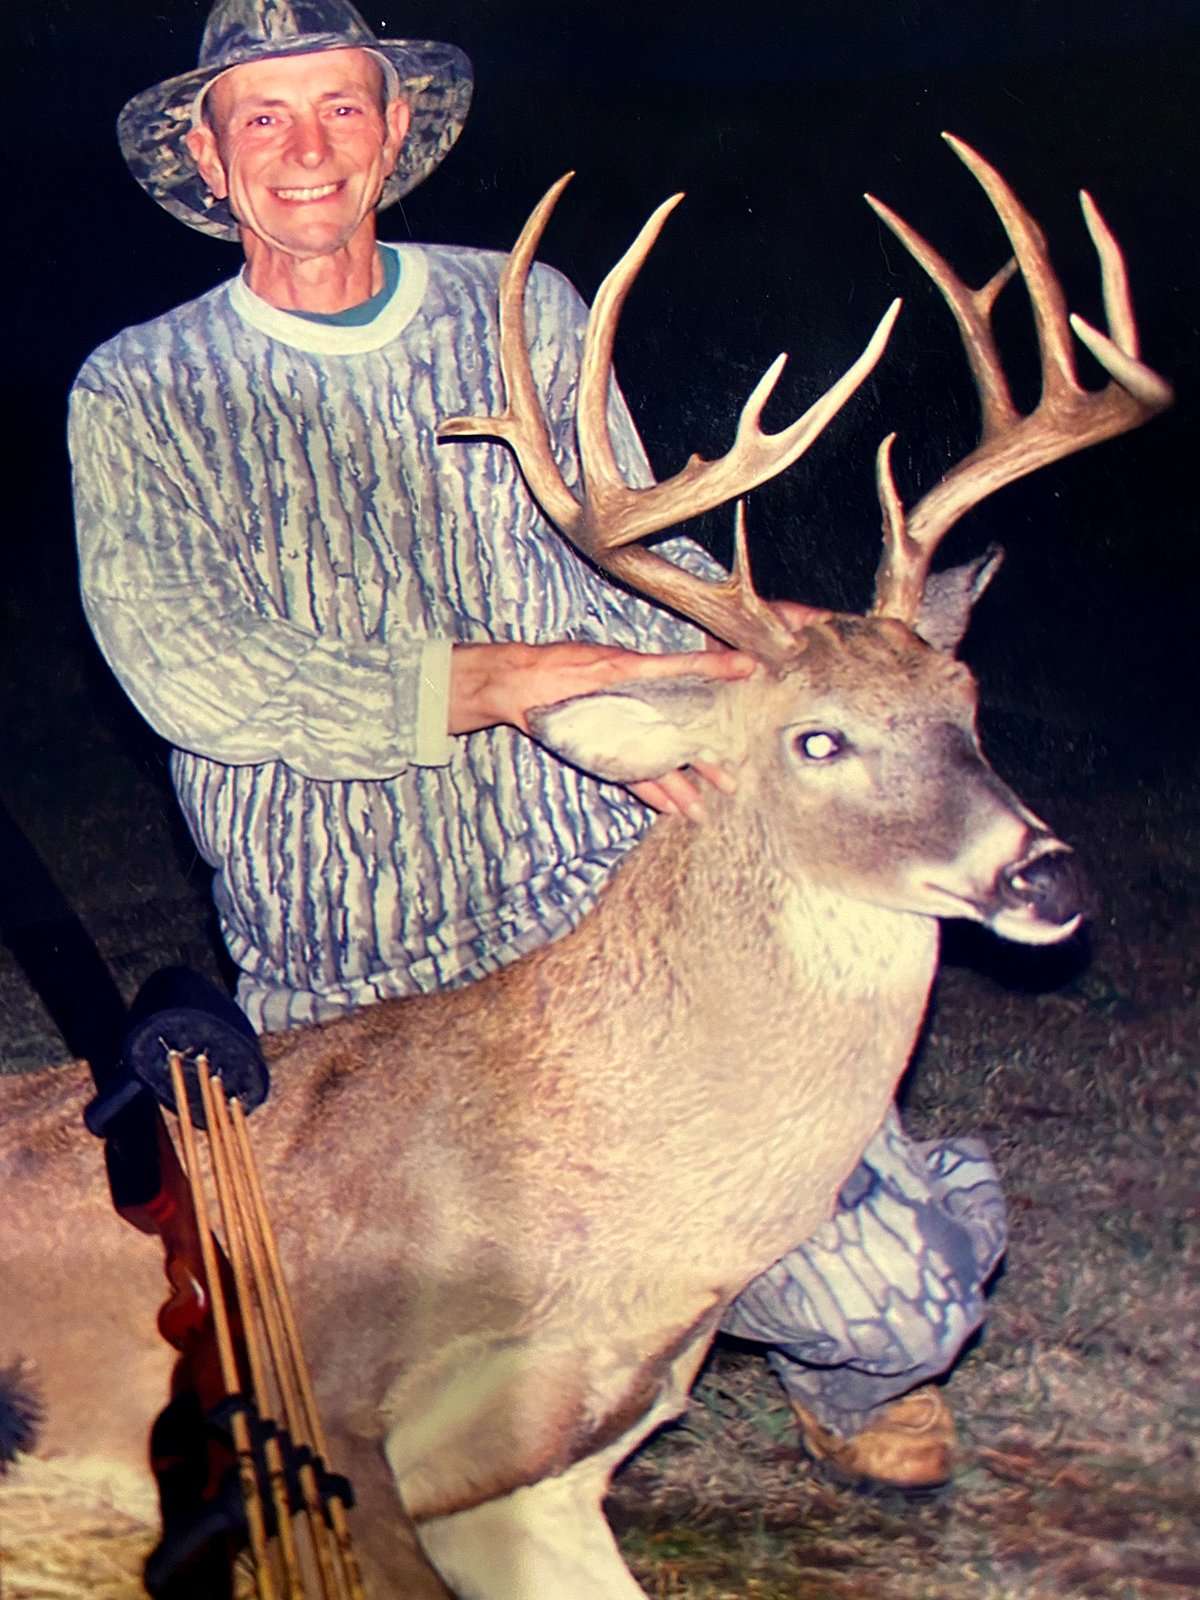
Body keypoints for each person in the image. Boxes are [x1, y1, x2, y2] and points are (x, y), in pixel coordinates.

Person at [70, 0, 1007, 1494]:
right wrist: (495, 682)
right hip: (353, 983)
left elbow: (636, 571)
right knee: (326, 1408)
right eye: (265, 117)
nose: (308, 151)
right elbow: (190, 674)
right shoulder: (137, 392)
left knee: (886, 1303)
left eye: (342, 109)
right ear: (208, 153)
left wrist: (782, 664)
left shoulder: (523, 314)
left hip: (594, 933)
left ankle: (888, 1221)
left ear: (394, 134)